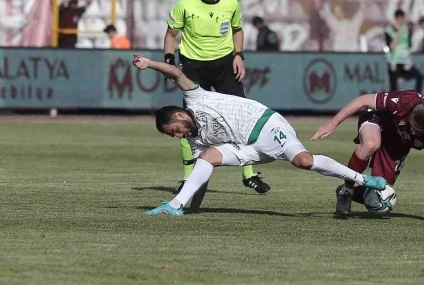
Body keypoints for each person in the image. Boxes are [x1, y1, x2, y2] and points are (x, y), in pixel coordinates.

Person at [132, 54, 388, 216]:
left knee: (304, 161)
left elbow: (177, 74)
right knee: (206, 157)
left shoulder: (195, 98)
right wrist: (193, 208)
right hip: (247, 147)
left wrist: (150, 64)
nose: (179, 136)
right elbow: (203, 176)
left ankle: (363, 180)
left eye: (175, 131)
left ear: (179, 115)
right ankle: (175, 206)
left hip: (266, 126)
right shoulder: (194, 140)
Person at [163, 0, 271, 202]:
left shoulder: (231, 2)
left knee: (242, 118)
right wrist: (170, 62)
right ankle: (187, 178)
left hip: (224, 66)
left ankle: (249, 174)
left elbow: (238, 30)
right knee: (189, 124)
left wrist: (239, 55)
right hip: (193, 67)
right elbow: (171, 35)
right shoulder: (185, 3)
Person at [311, 90, 424, 225]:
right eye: (412, 124)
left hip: (396, 144)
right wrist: (331, 125)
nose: (412, 130)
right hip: (377, 119)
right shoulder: (405, 101)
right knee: (371, 144)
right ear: (412, 112)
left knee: (381, 190)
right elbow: (361, 100)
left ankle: (350, 191)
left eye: (418, 130)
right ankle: (347, 191)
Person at [386, 9, 424, 93]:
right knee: (394, 87)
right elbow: (391, 46)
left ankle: (417, 97)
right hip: (395, 62)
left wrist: (410, 59)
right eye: (400, 19)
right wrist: (398, 32)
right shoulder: (389, 30)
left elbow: (408, 46)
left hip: (405, 61)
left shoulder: (406, 29)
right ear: (396, 19)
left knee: (419, 77)